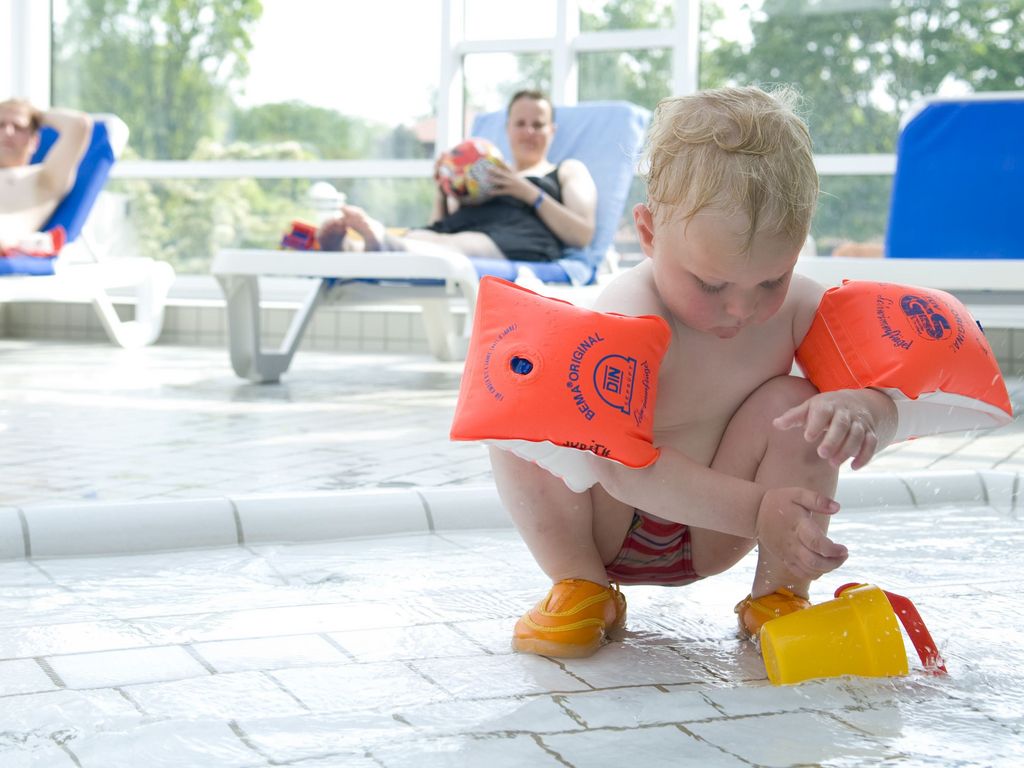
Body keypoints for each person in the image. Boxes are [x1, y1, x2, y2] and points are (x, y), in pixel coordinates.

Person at [489, 85, 901, 659]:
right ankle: (579, 584)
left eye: (770, 281)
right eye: (711, 284)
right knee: (516, 401)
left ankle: (780, 594)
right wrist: (758, 510)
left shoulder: (802, 307)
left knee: (801, 400)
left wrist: (865, 408)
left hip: (717, 535)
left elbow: (890, 382)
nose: (743, 309)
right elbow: (623, 471)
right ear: (650, 234)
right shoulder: (630, 310)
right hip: (606, 521)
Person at [317, 89, 597, 264]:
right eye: (521, 124)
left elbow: (582, 234)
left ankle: (382, 243)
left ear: (553, 131)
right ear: (508, 128)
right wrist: (443, 191)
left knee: (464, 244)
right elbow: (442, 226)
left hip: (520, 237)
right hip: (465, 230)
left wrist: (526, 191)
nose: (529, 132)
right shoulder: (484, 170)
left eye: (538, 125)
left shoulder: (567, 169)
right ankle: (353, 247)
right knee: (429, 235)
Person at [0, 99, 92, 251]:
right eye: (0, 125)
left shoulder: (45, 177)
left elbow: (78, 125)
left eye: (18, 127)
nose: (8, 132)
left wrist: (35, 115)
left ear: (34, 141)